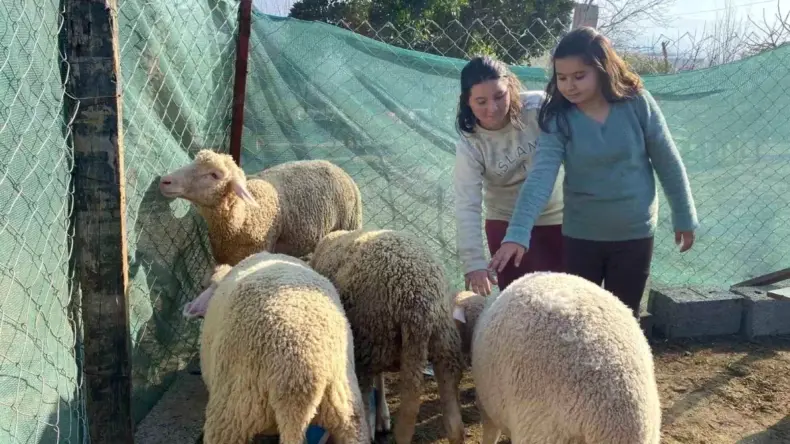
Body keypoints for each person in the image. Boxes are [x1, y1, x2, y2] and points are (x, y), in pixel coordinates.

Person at [488, 27, 699, 316]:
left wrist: (684, 216)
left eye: (579, 76)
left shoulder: (637, 103)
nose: (569, 86)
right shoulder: (558, 117)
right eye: (561, 78)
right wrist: (518, 232)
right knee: (580, 320)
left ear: (602, 69)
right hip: (581, 236)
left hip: (634, 233)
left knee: (623, 319)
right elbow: (541, 177)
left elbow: (668, 161)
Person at [453, 55, 565, 296]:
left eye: (499, 96)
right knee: (517, 303)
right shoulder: (470, 142)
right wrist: (473, 263)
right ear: (467, 102)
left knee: (563, 300)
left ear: (511, 88)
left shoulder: (538, 109)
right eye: (480, 101)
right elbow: (467, 203)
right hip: (504, 224)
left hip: (557, 218)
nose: (492, 109)